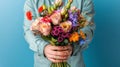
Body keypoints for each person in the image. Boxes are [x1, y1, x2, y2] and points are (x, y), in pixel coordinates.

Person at [23, 0, 95, 67]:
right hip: (43, 64)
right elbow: (28, 31)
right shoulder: (32, 1)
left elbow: (88, 30)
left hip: (74, 63)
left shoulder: (84, 1)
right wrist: (43, 48)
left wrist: (73, 47)